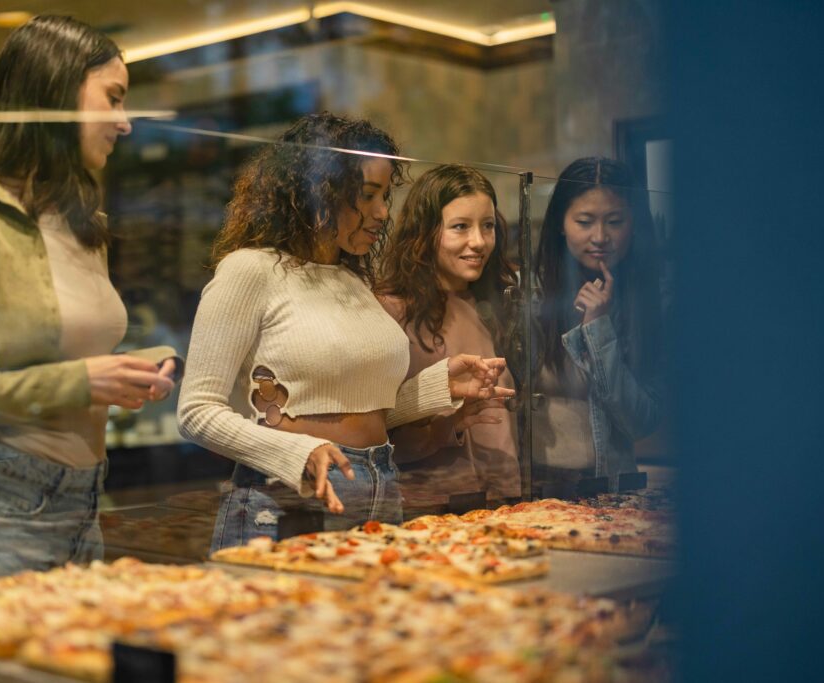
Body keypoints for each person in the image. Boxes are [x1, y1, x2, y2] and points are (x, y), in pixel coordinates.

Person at [0, 15, 177, 580]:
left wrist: (131, 371)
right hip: (0, 500)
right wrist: (80, 381)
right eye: (113, 98)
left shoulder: (84, 223)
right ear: (56, 93)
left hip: (87, 496)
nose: (125, 123)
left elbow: (65, 360)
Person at [177, 113, 512, 551]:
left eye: (385, 195)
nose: (383, 212)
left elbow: (367, 414)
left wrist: (437, 386)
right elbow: (197, 412)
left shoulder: (353, 280)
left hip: (379, 486)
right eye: (367, 195)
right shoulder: (250, 270)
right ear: (318, 190)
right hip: (291, 492)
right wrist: (296, 453)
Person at [377, 164, 521, 505]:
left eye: (488, 226)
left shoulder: (495, 305)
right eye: (460, 227)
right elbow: (376, 434)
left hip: (504, 502)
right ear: (424, 232)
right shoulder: (389, 310)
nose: (479, 241)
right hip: (429, 508)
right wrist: (447, 425)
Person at [533, 156, 662, 489]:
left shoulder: (651, 300)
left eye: (615, 221)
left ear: (634, 225)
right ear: (561, 223)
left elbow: (641, 422)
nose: (600, 236)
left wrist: (598, 327)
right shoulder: (530, 295)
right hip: (539, 492)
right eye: (585, 221)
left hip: (615, 489)